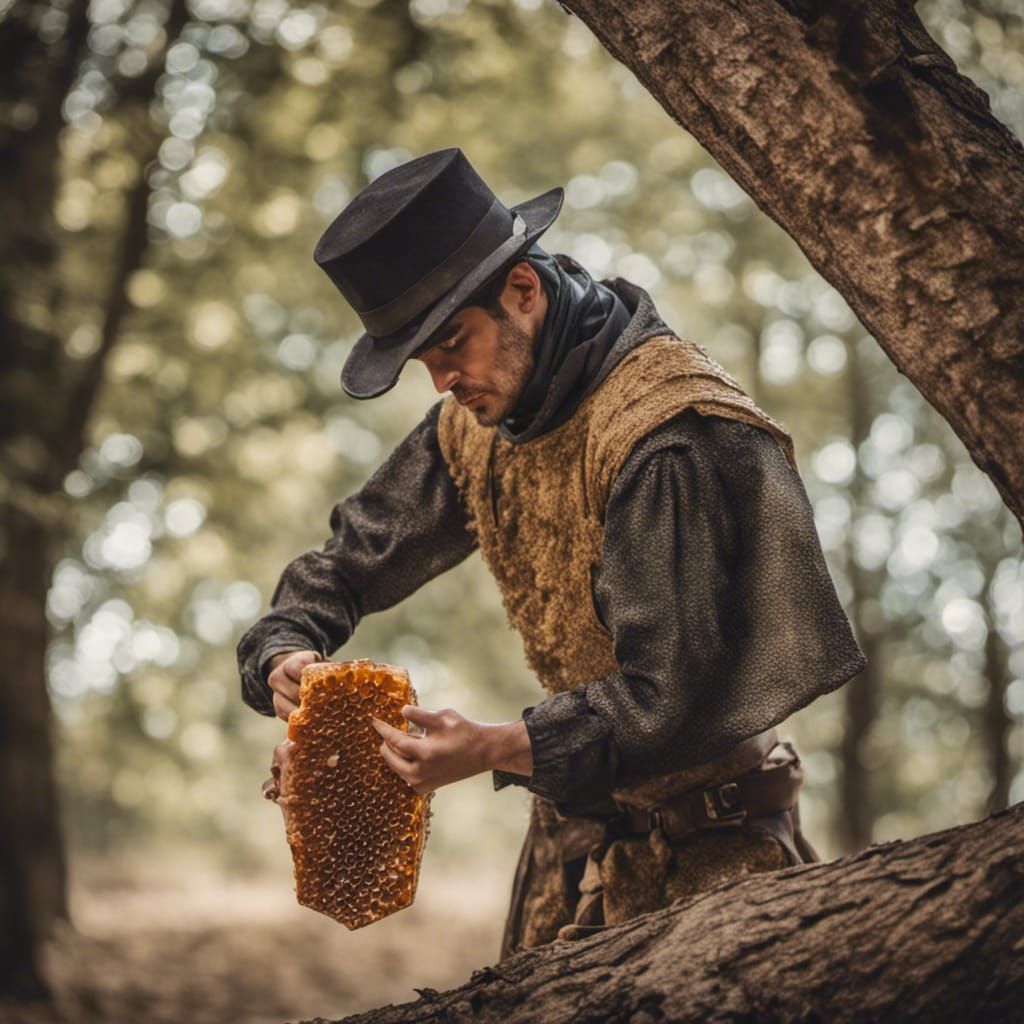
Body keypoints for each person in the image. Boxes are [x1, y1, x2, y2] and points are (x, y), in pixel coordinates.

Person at [236, 147, 867, 958]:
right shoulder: (478, 416)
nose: (442, 382)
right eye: (425, 361)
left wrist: (493, 746)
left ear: (523, 290)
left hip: (719, 853)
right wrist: (287, 654)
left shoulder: (662, 439)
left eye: (452, 344)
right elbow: (349, 561)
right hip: (571, 853)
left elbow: (668, 696)